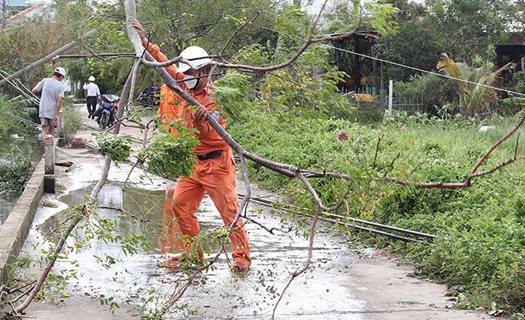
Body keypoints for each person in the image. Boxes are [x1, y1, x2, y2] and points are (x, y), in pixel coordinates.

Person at [133, 20, 251, 272]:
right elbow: (164, 65)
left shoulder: (216, 100)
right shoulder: (183, 81)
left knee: (229, 212)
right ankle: (193, 255)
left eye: (195, 73)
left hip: (216, 163)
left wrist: (201, 122)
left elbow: (214, 134)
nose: (186, 77)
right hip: (191, 164)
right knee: (180, 204)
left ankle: (241, 258)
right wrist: (144, 43)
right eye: (185, 73)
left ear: (204, 72)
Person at [31, 67, 66, 138]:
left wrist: (38, 84)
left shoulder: (45, 81)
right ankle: (51, 146)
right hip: (52, 111)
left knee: (44, 130)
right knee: (52, 130)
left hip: (43, 109)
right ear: (61, 76)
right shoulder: (61, 86)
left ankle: (45, 145)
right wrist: (57, 114)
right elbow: (59, 100)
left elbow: (33, 91)